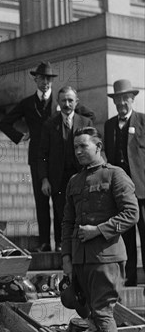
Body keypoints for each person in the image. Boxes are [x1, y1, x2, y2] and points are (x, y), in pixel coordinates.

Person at [61, 127, 138, 332]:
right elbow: (67, 222)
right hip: (81, 260)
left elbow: (131, 213)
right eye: (75, 148)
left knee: (103, 314)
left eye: (83, 146)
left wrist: (98, 230)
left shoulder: (116, 175)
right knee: (95, 313)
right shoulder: (74, 181)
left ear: (98, 146)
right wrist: (66, 257)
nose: (79, 151)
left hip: (106, 258)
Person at [0, 61, 95, 252]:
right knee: (41, 202)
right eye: (42, 78)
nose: (45, 82)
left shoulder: (62, 101)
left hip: (62, 158)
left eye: (49, 79)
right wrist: (21, 135)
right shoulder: (27, 103)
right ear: (35, 79)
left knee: (61, 202)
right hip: (38, 158)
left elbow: (87, 114)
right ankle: (44, 241)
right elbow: (5, 123)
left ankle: (60, 242)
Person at [39, 86, 93, 252]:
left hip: (80, 174)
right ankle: (62, 246)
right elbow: (42, 154)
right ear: (58, 102)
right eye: (63, 100)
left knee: (82, 211)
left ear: (76, 102)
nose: (67, 104)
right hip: (58, 178)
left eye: (70, 100)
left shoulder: (85, 122)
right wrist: (44, 179)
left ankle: (81, 245)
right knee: (61, 212)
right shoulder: (49, 124)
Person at [104, 79, 145, 287]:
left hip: (142, 190)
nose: (121, 103)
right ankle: (129, 277)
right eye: (118, 99)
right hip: (121, 191)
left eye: (125, 99)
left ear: (132, 99)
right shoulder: (109, 124)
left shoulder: (142, 121)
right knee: (126, 235)